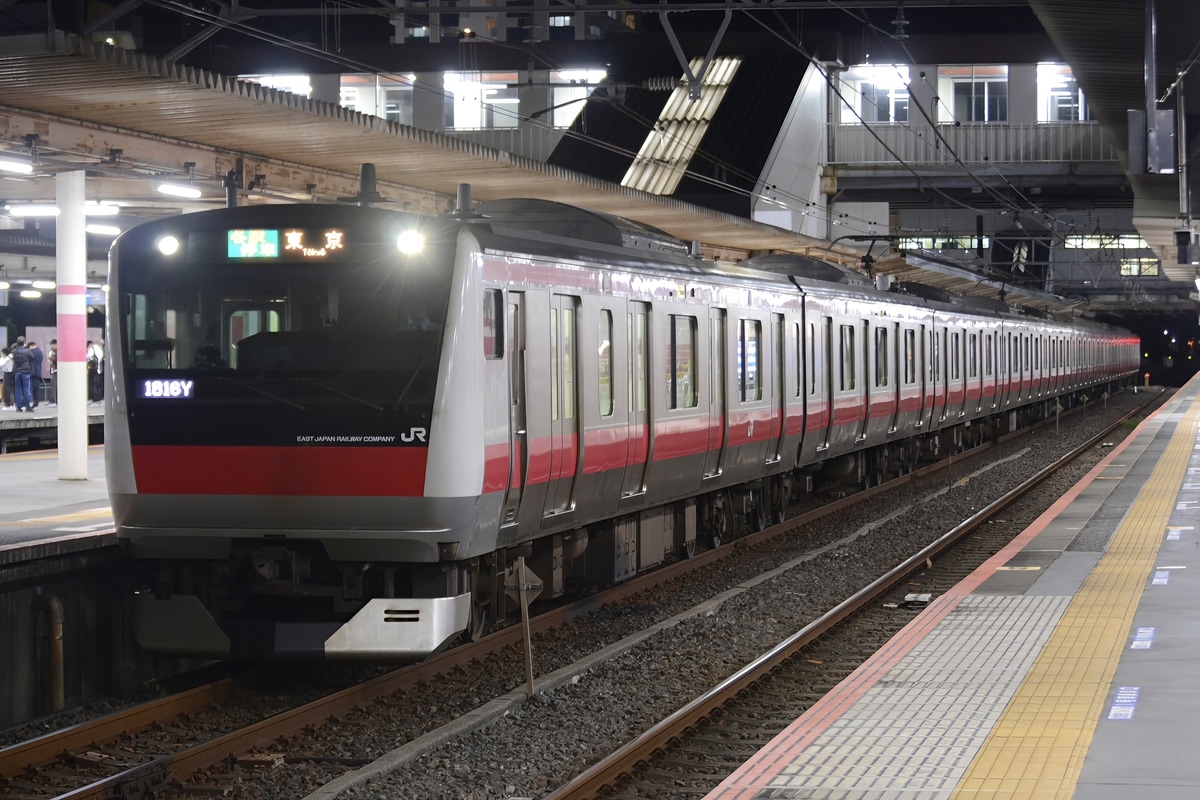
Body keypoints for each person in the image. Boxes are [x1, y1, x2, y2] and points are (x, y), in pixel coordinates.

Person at [11, 336, 33, 412]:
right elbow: (32, 357)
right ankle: (27, 406)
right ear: (24, 342)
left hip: (17, 371)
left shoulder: (14, 351)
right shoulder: (27, 351)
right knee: (26, 389)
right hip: (26, 372)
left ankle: (18, 406)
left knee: (18, 389)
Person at [28, 341, 43, 408]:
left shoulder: (32, 352)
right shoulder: (40, 352)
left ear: (31, 346)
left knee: (31, 388)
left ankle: (28, 403)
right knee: (36, 389)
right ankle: (36, 402)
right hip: (38, 372)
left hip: (32, 372)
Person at [46, 339, 57, 406]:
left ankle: (52, 401)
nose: (52, 346)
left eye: (53, 345)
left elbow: (56, 360)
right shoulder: (52, 351)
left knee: (54, 386)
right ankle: (53, 400)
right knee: (54, 386)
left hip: (57, 370)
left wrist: (51, 358)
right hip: (53, 369)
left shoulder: (58, 351)